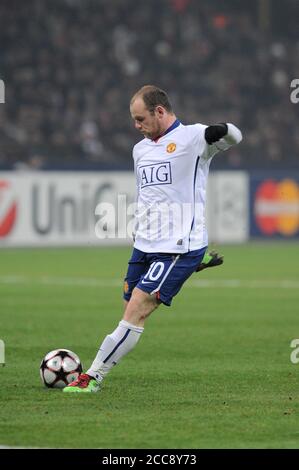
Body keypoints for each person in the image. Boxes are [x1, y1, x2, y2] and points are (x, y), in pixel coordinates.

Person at [63, 85, 242, 393]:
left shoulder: (194, 138)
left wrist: (222, 131)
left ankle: (91, 378)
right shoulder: (140, 150)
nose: (137, 126)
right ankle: (191, 265)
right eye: (134, 120)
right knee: (129, 311)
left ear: (160, 111)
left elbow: (236, 136)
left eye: (140, 119)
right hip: (144, 245)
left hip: (177, 247)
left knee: (138, 309)